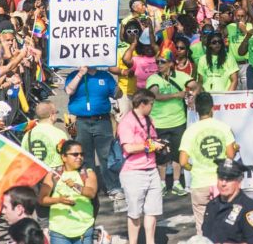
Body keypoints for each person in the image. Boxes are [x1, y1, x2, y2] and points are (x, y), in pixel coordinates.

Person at [64, 65, 125, 212]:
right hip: (80, 121)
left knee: (106, 155)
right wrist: (80, 74)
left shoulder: (104, 76)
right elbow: (68, 91)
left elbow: (118, 94)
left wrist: (118, 85)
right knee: (83, 156)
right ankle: (88, 188)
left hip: (102, 120)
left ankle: (114, 188)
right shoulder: (73, 75)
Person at [180, 92, 239, 232]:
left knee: (202, 227)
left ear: (195, 109)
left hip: (199, 184)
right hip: (221, 183)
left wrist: (192, 167)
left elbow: (182, 162)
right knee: (225, 224)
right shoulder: (223, 127)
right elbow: (230, 155)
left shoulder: (190, 131)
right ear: (213, 108)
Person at [146, 48, 198, 197]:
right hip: (159, 122)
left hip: (178, 121)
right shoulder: (153, 78)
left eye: (162, 62)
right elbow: (155, 95)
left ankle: (176, 182)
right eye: (157, 62)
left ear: (170, 63)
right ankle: (162, 183)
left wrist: (193, 96)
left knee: (177, 153)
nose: (159, 65)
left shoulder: (182, 76)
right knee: (161, 155)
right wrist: (177, 94)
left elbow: (196, 85)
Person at [116, 91, 166, 244]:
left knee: (153, 211)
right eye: (151, 104)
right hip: (133, 172)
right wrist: (151, 146)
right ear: (142, 104)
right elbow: (129, 148)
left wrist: (160, 144)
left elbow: (152, 140)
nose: (152, 107)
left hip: (151, 170)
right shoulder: (127, 122)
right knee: (135, 213)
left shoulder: (149, 119)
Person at [40, 140, 98, 244]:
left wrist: (75, 186)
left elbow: (91, 193)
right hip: (59, 232)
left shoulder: (87, 173)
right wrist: (58, 200)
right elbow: (42, 199)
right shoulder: (53, 174)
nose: (79, 157)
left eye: (82, 154)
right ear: (64, 157)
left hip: (84, 229)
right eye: (75, 154)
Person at [201, 158, 253, 244]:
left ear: (239, 182)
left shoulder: (250, 210)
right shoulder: (212, 205)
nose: (223, 183)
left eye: (229, 180)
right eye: (221, 178)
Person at [21, 102, 68, 169]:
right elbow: (66, 157)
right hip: (54, 174)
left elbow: (24, 156)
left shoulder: (28, 134)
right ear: (51, 115)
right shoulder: (59, 133)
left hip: (35, 174)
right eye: (56, 113)